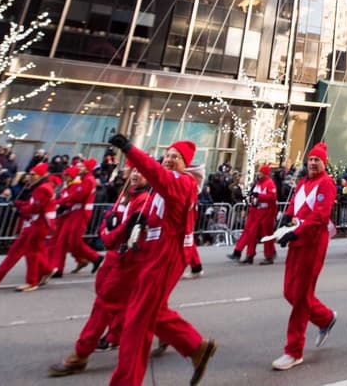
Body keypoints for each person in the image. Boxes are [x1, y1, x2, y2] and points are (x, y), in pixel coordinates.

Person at [105, 133, 217, 386]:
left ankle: (125, 381)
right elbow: (159, 214)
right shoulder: (168, 184)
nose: (168, 160)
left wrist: (130, 150)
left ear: (185, 163)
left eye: (175, 157)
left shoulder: (182, 182)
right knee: (148, 313)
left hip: (166, 257)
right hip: (153, 255)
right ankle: (195, 346)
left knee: (136, 323)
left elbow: (157, 175)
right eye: (166, 155)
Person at [49, 169, 150, 376]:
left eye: (140, 171)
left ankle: (81, 352)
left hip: (128, 258)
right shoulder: (128, 193)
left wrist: (109, 236)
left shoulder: (145, 199)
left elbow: (125, 229)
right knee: (130, 303)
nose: (135, 174)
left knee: (105, 303)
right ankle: (161, 333)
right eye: (132, 170)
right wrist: (106, 232)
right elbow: (111, 219)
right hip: (115, 255)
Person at [272, 142, 338, 371]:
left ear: (324, 163)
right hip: (298, 242)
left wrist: (294, 232)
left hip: (312, 245)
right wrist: (284, 220)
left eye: (317, 160)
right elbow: (294, 206)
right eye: (310, 159)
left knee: (300, 297)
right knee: (290, 292)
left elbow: (319, 217)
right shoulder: (303, 183)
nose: (312, 163)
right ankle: (325, 317)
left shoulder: (326, 184)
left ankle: (294, 351)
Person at [0, 163, 54, 291]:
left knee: (31, 253)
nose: (30, 176)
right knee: (15, 251)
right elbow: (32, 204)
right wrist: (18, 203)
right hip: (33, 224)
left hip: (38, 225)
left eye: (33, 174)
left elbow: (36, 207)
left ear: (40, 175)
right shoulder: (40, 187)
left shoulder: (43, 188)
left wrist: (20, 210)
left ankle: (32, 281)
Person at [230, 164, 279, 265]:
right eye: (259, 172)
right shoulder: (258, 183)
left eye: (261, 172)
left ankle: (269, 256)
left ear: (265, 174)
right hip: (256, 211)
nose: (259, 173)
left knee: (267, 235)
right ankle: (249, 255)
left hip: (266, 212)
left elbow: (272, 197)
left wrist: (259, 196)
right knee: (251, 234)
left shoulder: (269, 183)